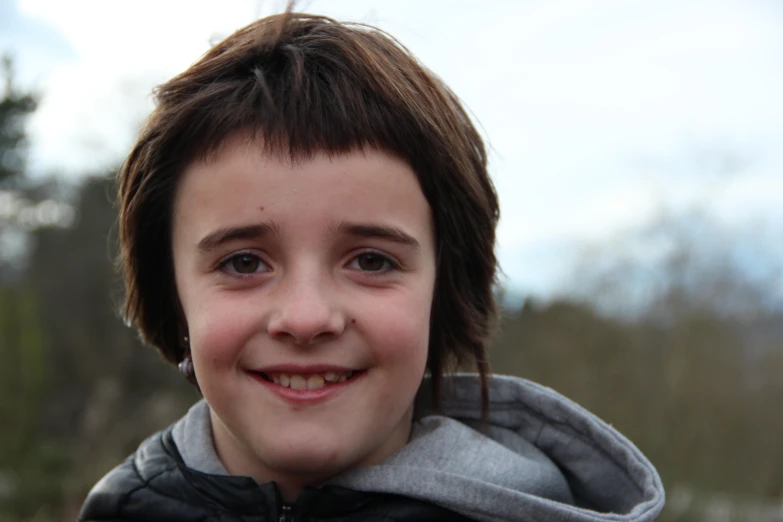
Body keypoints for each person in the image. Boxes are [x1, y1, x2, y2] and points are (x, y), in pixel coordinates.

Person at [79, 8, 665, 522]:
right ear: (171, 294)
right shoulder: (119, 509)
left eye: (370, 260)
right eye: (243, 262)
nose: (306, 318)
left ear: (445, 292)